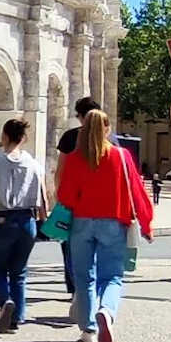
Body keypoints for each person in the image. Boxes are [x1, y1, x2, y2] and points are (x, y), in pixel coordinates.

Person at [57, 110, 153, 342]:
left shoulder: (75, 158)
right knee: (112, 276)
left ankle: (88, 329)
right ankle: (106, 312)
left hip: (81, 223)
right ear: (108, 129)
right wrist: (146, 222)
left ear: (83, 129)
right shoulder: (121, 156)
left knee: (83, 277)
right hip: (113, 222)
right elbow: (137, 192)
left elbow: (65, 196)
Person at [0, 118, 47, 333]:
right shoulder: (33, 163)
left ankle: (5, 301)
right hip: (27, 219)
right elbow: (41, 191)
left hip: (3, 217)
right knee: (19, 271)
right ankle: (17, 317)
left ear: (4, 136)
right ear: (23, 138)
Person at [54, 97, 105, 295]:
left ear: (83, 116)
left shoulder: (70, 138)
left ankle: (77, 289)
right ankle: (92, 290)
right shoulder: (110, 139)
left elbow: (61, 172)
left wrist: (60, 200)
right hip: (102, 205)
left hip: (74, 203)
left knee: (70, 248)